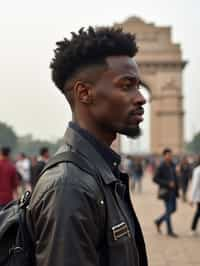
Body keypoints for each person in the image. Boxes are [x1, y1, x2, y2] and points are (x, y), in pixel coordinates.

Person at [27, 26, 148, 266]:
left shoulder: (99, 172)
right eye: (127, 86)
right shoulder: (69, 186)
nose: (141, 97)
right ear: (84, 92)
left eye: (139, 86)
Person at [153, 148, 179, 237]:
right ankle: (170, 231)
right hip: (166, 192)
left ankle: (158, 221)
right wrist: (167, 183)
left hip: (173, 192)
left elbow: (175, 178)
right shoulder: (161, 166)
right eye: (168, 155)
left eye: (171, 155)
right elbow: (155, 179)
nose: (170, 156)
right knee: (168, 210)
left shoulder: (173, 165)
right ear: (164, 156)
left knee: (173, 209)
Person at [189, 155, 200, 236]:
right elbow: (194, 185)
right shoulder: (197, 170)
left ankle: (193, 228)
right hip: (199, 196)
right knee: (198, 212)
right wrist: (192, 198)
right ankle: (193, 228)